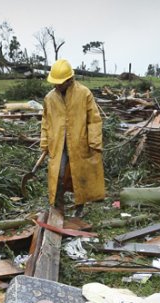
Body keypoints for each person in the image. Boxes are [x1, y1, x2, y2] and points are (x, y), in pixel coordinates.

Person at [40, 59, 105, 218]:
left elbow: (94, 119)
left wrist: (95, 142)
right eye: (54, 83)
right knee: (59, 175)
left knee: (79, 175)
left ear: (69, 80)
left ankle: (79, 206)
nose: (56, 86)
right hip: (58, 145)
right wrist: (44, 143)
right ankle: (59, 206)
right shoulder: (50, 98)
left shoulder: (84, 93)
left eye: (59, 83)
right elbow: (46, 122)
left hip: (79, 143)